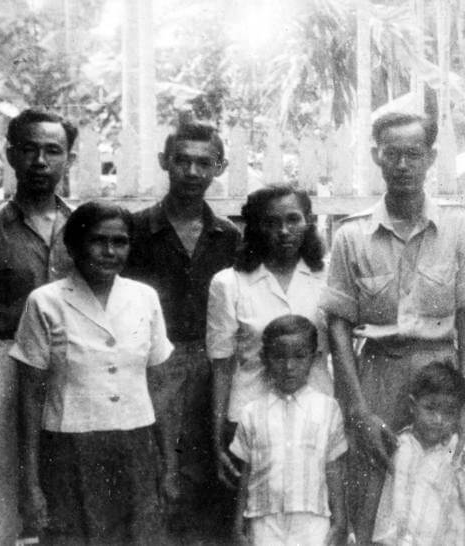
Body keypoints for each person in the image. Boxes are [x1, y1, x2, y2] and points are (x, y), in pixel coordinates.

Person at [320, 112, 465, 543]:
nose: (402, 165)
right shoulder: (352, 234)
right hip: (377, 374)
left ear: (431, 158)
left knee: (445, 494)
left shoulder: (461, 226)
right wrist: (359, 409)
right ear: (377, 156)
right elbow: (337, 326)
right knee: (373, 491)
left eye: (413, 155)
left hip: (440, 377)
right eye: (392, 154)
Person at [12, 201, 174, 544]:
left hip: (136, 445)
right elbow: (30, 396)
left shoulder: (145, 298)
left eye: (120, 242)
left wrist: (168, 464)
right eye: (98, 240)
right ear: (73, 246)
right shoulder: (45, 302)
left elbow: (159, 384)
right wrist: (31, 482)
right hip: (71, 449)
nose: (110, 251)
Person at [125, 121, 240, 537]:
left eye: (203, 163)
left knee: (214, 474)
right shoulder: (134, 232)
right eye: (182, 161)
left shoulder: (229, 237)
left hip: (214, 369)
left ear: (219, 167)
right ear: (164, 163)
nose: (192, 172)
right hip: (152, 369)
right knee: (158, 478)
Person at [207, 185, 333, 492]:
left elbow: (341, 353)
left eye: (293, 220)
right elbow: (222, 366)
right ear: (256, 227)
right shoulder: (229, 283)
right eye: (271, 222)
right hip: (252, 416)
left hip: (316, 414)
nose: (284, 231)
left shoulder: (329, 277)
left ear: (309, 221)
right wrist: (217, 436)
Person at [0, 108, 77, 543]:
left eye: (52, 151)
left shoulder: (85, 229)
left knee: (66, 480)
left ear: (69, 159)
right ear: (10, 155)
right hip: (5, 366)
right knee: (6, 486)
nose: (41, 162)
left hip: (73, 367)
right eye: (29, 150)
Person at [230, 315, 347, 546]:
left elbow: (333, 469)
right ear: (265, 358)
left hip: (312, 520)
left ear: (314, 358)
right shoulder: (252, 412)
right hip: (264, 519)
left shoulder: (327, 409)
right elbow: (246, 472)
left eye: (299, 356)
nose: (289, 366)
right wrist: (237, 522)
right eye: (279, 357)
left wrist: (340, 520)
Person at [373, 359, 465, 545]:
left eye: (448, 412)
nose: (438, 419)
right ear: (413, 405)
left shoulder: (457, 452)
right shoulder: (398, 445)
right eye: (430, 408)